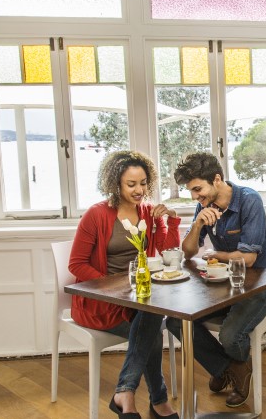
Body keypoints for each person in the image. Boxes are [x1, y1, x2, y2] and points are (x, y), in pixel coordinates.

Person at [69, 150, 180, 419]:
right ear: (115, 184)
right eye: (131, 184)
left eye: (143, 183)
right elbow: (76, 264)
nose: (139, 190)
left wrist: (171, 220)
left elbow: (168, 252)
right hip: (104, 303)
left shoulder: (149, 213)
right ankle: (158, 401)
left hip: (140, 298)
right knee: (151, 324)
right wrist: (116, 287)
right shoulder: (97, 215)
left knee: (149, 316)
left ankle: (125, 396)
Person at [166, 152, 266, 408]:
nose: (194, 196)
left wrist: (216, 254)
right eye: (191, 191)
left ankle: (227, 369)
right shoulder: (204, 205)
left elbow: (248, 259)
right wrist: (196, 226)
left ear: (216, 179)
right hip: (223, 288)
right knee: (175, 321)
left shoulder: (249, 200)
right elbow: (189, 252)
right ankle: (230, 369)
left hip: (258, 287)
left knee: (229, 336)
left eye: (197, 189)